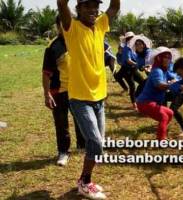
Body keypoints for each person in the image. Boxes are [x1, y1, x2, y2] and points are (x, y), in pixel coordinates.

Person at [57, 0, 120, 199]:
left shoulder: (101, 24)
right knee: (95, 141)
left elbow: (115, 6)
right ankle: (85, 183)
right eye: (87, 6)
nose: (93, 10)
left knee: (98, 144)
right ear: (78, 9)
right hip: (79, 98)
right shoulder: (71, 27)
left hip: (99, 97)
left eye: (95, 6)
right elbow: (61, 3)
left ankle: (85, 180)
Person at [42, 16, 85, 167]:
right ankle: (63, 152)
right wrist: (47, 94)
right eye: (62, 24)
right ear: (58, 26)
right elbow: (46, 72)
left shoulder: (79, 41)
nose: (66, 27)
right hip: (58, 91)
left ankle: (82, 145)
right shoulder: (53, 46)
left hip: (78, 90)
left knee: (81, 119)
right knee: (61, 123)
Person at [136, 47, 177, 141]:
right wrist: (171, 85)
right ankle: (161, 139)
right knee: (164, 117)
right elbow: (159, 85)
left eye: (169, 57)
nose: (168, 59)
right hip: (145, 102)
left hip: (152, 102)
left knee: (170, 113)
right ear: (159, 58)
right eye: (165, 57)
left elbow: (175, 77)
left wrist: (177, 80)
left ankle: (161, 130)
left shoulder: (164, 70)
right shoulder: (157, 71)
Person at [120, 32, 145, 111]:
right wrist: (137, 64)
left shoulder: (134, 48)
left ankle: (137, 98)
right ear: (128, 39)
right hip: (126, 70)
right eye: (131, 38)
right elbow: (128, 60)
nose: (133, 39)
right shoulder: (126, 48)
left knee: (143, 82)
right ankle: (134, 104)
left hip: (133, 69)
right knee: (132, 86)